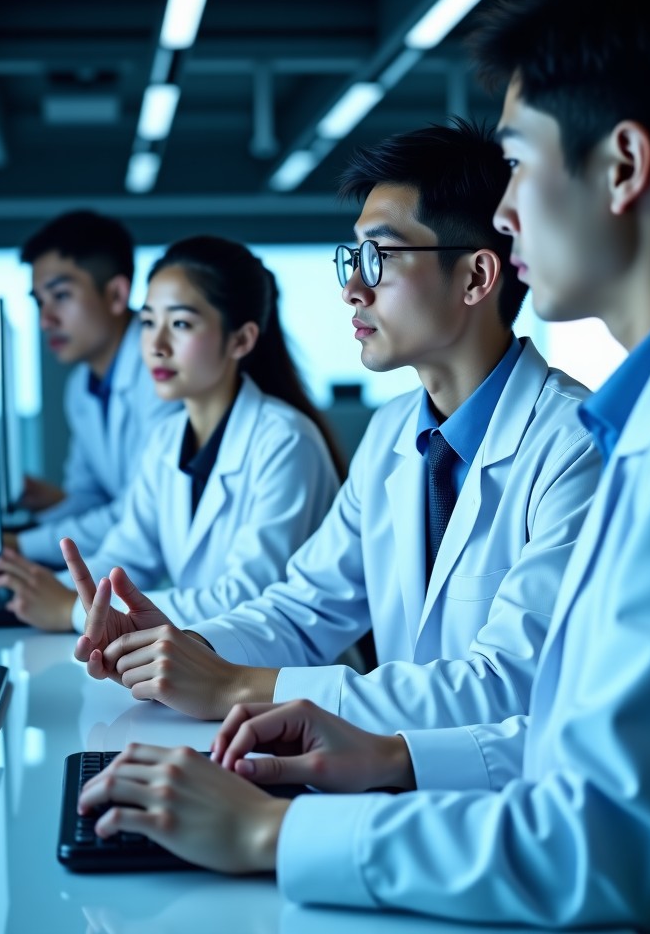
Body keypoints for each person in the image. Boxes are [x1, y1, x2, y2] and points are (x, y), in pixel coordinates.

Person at [73, 0, 650, 929]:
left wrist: (269, 834)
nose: (506, 206)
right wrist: (392, 756)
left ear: (621, 167)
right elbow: (578, 738)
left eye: (517, 162)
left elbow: (599, 841)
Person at [65, 119, 601, 731]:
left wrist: (236, 685)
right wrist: (183, 648)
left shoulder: (572, 445)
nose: (352, 289)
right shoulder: (393, 432)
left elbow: (511, 686)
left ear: (476, 277)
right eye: (353, 256)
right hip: (388, 776)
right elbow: (303, 610)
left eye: (380, 256)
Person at [0, 236, 343, 631]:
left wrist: (73, 611)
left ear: (240, 340)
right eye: (148, 322)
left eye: (180, 324)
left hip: (288, 676)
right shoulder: (167, 439)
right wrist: (33, 590)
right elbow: (127, 559)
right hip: (213, 665)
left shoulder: (285, 441)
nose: (156, 345)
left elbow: (245, 598)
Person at [2, 211, 178, 579]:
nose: (45, 320)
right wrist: (50, 507)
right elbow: (92, 497)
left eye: (61, 296)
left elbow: (138, 510)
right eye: (39, 302)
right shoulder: (81, 386)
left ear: (116, 294)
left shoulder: (165, 373)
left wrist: (21, 546)